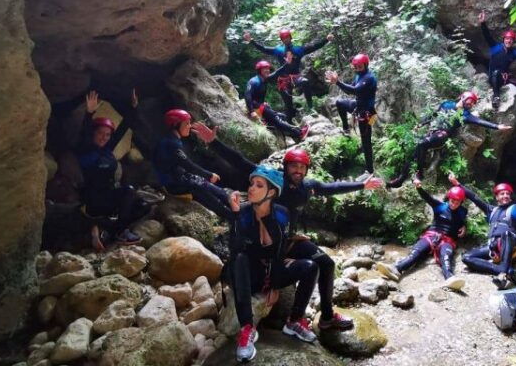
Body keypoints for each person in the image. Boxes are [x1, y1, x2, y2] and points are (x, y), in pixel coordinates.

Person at [190, 124, 384, 331]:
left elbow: (332, 188)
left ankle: (326, 317)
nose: (298, 170)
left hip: (289, 241)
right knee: (300, 264)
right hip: (265, 244)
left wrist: (361, 185)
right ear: (286, 167)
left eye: (302, 167)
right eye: (294, 166)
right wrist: (213, 142)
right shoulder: (273, 183)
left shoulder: (307, 188)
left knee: (326, 263)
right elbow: (241, 163)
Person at [228, 166, 319, 362]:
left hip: (270, 268)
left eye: (258, 185)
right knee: (240, 258)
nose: (251, 188)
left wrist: (275, 285)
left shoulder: (281, 214)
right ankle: (246, 330)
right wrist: (234, 216)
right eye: (251, 183)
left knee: (311, 267)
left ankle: (294, 321)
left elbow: (279, 250)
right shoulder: (242, 213)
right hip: (249, 274)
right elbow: (234, 248)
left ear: (271, 192)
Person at [387, 91, 512, 188]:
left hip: (443, 135)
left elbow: (480, 121)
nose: (471, 105)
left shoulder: (465, 115)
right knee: (414, 153)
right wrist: (421, 124)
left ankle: (419, 174)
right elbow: (433, 114)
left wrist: (497, 126)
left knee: (421, 144)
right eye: (469, 101)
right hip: (432, 131)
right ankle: (400, 179)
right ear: (462, 98)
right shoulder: (447, 104)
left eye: (473, 103)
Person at [75, 90, 144, 250]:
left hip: (109, 198)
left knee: (142, 205)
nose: (104, 137)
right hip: (94, 201)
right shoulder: (86, 149)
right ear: (93, 133)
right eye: (100, 133)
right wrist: (89, 112)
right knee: (129, 191)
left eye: (107, 135)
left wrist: (133, 108)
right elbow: (84, 132)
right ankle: (119, 232)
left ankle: (103, 230)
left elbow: (123, 128)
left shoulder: (107, 149)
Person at [375, 178, 469, 291]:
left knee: (446, 257)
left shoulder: (463, 211)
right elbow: (427, 197)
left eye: (457, 202)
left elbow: (461, 221)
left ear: (461, 202)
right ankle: (396, 269)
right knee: (416, 252)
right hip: (432, 235)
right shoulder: (440, 206)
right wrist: (419, 187)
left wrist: (464, 227)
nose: (454, 204)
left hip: (448, 240)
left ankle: (450, 279)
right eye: (452, 201)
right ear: (449, 198)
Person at [152, 109, 234, 221]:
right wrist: (209, 175)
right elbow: (188, 165)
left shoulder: (171, 140)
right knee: (202, 189)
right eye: (187, 123)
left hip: (182, 177)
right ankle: (231, 216)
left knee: (212, 188)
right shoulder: (171, 143)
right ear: (175, 125)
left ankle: (233, 205)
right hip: (174, 184)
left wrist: (206, 177)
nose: (189, 126)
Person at [244, 29, 333, 120]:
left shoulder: (299, 49)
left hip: (295, 77)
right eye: (283, 38)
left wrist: (326, 40)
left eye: (287, 37)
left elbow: (314, 47)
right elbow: (264, 49)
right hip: (283, 81)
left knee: (305, 82)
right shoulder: (278, 50)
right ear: (282, 40)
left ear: (290, 37)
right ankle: (291, 125)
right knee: (288, 107)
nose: (286, 39)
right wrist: (251, 41)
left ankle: (310, 107)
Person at [325, 53, 378, 178]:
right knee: (339, 102)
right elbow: (351, 89)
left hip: (368, 114)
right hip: (358, 106)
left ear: (365, 65)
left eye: (360, 67)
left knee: (366, 142)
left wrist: (338, 82)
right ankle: (346, 128)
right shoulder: (359, 76)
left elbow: (354, 90)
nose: (358, 69)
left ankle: (370, 171)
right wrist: (337, 82)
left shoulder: (369, 78)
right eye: (356, 67)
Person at [245, 59, 310, 142]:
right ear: (259, 70)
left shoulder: (264, 80)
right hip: (256, 108)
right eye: (265, 68)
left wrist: (287, 64)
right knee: (277, 119)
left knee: (282, 116)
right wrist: (251, 111)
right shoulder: (254, 81)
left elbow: (277, 73)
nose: (267, 70)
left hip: (260, 106)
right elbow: (248, 96)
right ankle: (300, 133)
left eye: (268, 68)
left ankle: (294, 135)